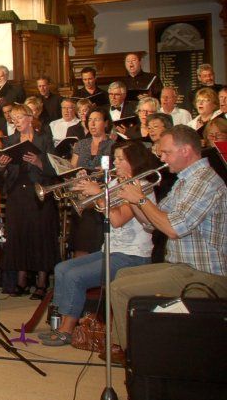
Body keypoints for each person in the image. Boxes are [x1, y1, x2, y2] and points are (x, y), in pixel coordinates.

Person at [106, 126, 227, 364]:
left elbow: (174, 228)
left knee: (120, 289)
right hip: (182, 266)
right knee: (122, 274)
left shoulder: (204, 182)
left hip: (205, 274)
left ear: (186, 151)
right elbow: (154, 223)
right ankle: (146, 342)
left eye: (166, 153)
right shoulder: (185, 181)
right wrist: (137, 202)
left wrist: (140, 199)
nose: (161, 158)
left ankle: (137, 359)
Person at [38, 141, 156, 346]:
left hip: (132, 256)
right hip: (110, 250)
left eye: (121, 159)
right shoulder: (115, 183)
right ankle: (61, 322)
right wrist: (82, 188)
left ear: (134, 161)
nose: (116, 163)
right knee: (62, 268)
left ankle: (67, 330)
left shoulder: (142, 187)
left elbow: (118, 220)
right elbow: (84, 207)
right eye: (115, 158)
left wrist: (98, 196)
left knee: (75, 276)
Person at [0, 103, 58, 298]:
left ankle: (41, 281)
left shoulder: (44, 140)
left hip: (39, 192)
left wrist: (39, 162)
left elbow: (55, 169)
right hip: (17, 193)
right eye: (13, 119)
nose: (16, 121)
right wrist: (1, 165)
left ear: (30, 118)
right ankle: (21, 280)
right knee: (19, 236)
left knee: (40, 236)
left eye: (19, 117)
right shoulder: (10, 140)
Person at [68, 110, 114, 257]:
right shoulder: (81, 144)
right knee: (80, 243)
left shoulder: (112, 145)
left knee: (96, 244)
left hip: (100, 199)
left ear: (106, 123)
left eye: (97, 119)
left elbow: (114, 173)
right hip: (81, 198)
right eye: (90, 120)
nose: (92, 123)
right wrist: (77, 175)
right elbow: (71, 169)